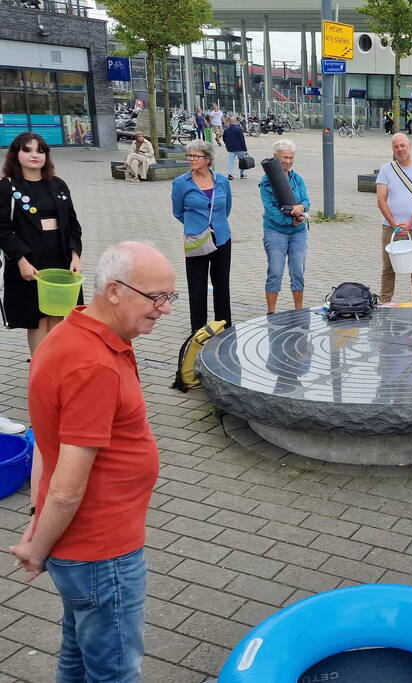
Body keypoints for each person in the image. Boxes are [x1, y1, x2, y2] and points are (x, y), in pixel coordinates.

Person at [10, 241, 175, 683]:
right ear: (116, 291)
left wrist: (36, 517)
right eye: (156, 297)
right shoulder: (92, 365)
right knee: (114, 670)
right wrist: (36, 547)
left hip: (81, 547)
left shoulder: (73, 331)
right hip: (102, 552)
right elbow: (66, 485)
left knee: (78, 654)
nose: (165, 309)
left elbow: (47, 441)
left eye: (169, 297)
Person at [0, 132, 83, 355]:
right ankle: (39, 368)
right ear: (16, 154)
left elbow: (73, 225)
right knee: (36, 318)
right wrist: (20, 261)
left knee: (57, 313)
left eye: (40, 150)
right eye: (27, 150)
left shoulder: (58, 185)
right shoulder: (8, 187)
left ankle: (53, 367)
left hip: (59, 257)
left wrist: (75, 256)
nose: (35, 155)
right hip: (30, 260)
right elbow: (3, 230)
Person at [171, 139, 232, 332]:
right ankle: (197, 330)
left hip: (221, 238)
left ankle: (224, 326)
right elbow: (178, 211)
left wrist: (215, 226)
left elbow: (226, 207)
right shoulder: (181, 183)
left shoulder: (222, 181)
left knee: (221, 284)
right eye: (189, 155)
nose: (191, 159)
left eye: (195, 156)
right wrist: (195, 225)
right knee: (197, 287)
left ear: (208, 159)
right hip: (196, 239)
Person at [375, 133, 412, 302]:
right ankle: (385, 302)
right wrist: (394, 224)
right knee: (388, 268)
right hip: (390, 227)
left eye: (403, 145)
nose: (400, 149)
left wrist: (409, 223)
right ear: (392, 149)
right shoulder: (386, 169)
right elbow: (381, 200)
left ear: (410, 145)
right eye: (396, 146)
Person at [260, 139, 311, 314]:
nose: (288, 162)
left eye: (290, 158)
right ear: (275, 158)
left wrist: (301, 208)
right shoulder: (266, 182)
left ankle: (298, 310)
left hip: (298, 233)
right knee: (275, 271)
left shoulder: (297, 178)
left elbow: (306, 200)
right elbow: (271, 210)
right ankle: (271, 312)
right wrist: (291, 220)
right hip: (275, 232)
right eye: (283, 159)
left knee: (297, 271)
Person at [222, 115, 248, 180]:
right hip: (239, 148)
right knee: (242, 162)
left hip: (231, 148)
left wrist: (227, 145)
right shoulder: (239, 129)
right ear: (235, 121)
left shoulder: (226, 130)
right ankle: (242, 174)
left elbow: (224, 139)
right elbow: (242, 140)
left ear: (229, 122)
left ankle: (230, 174)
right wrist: (245, 149)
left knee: (230, 162)